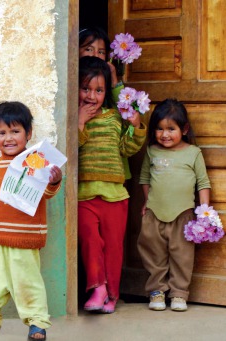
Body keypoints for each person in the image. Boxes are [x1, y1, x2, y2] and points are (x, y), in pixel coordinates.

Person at [0, 101, 62, 341]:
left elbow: (44, 194)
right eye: (1, 133)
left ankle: (37, 322)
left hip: (23, 237)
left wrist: (54, 181)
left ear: (29, 134)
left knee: (27, 283)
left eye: (15, 131)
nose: (8, 138)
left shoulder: (35, 161)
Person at [78, 56, 147, 314]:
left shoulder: (113, 117)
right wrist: (80, 121)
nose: (91, 96)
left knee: (114, 247)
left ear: (106, 92)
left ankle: (111, 295)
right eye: (85, 89)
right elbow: (72, 149)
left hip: (116, 195)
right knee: (90, 242)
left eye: (98, 90)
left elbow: (126, 149)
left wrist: (136, 127)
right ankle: (98, 288)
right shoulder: (73, 117)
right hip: (84, 195)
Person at [137, 98, 211, 312]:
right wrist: (147, 202)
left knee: (182, 255)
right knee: (153, 253)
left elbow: (203, 182)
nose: (165, 134)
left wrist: (204, 213)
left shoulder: (193, 153)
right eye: (159, 129)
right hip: (154, 213)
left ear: (184, 129)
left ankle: (179, 293)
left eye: (171, 128)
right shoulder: (152, 151)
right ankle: (157, 291)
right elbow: (144, 179)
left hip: (184, 215)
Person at [79, 26, 131, 180]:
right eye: (89, 49)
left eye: (101, 52)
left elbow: (125, 114)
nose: (95, 55)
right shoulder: (72, 85)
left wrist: (113, 78)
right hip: (86, 173)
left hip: (113, 171)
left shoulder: (108, 90)